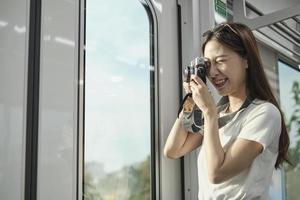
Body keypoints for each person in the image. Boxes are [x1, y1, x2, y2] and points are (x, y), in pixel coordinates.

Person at [164, 22, 291, 199]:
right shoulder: (220, 113)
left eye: (221, 61)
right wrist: (191, 100)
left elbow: (217, 173)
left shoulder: (265, 113)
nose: (213, 72)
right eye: (208, 65)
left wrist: (208, 112)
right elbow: (173, 150)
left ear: (246, 60)